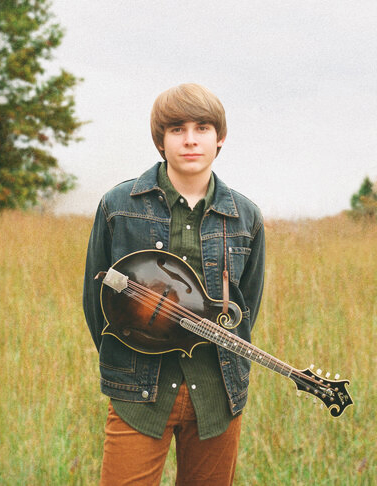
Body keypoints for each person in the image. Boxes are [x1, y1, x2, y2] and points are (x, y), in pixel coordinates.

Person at [82, 83, 266, 485]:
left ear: (219, 138)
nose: (190, 140)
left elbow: (244, 307)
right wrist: (134, 345)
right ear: (160, 141)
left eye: (202, 128)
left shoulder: (245, 217)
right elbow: (97, 304)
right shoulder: (119, 206)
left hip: (218, 396)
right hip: (138, 392)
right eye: (177, 129)